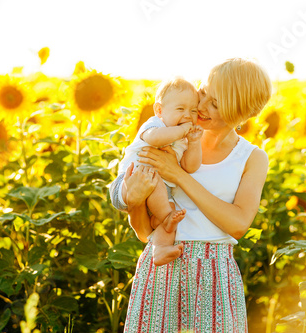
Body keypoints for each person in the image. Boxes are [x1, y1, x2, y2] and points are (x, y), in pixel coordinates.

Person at [118, 58, 272, 332]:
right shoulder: (172, 138)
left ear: (240, 113)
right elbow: (143, 231)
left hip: (215, 272)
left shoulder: (251, 158)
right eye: (203, 92)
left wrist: (178, 176)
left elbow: (238, 225)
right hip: (162, 264)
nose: (200, 106)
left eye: (214, 103)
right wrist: (134, 202)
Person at [110, 77, 203, 266]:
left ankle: (160, 249)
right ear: (159, 110)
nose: (187, 115)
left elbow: (190, 166)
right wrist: (183, 130)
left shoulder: (183, 140)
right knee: (165, 207)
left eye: (193, 111)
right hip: (129, 183)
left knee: (170, 218)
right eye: (180, 109)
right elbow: (155, 139)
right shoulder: (154, 125)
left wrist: (193, 144)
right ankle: (165, 218)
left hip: (159, 192)